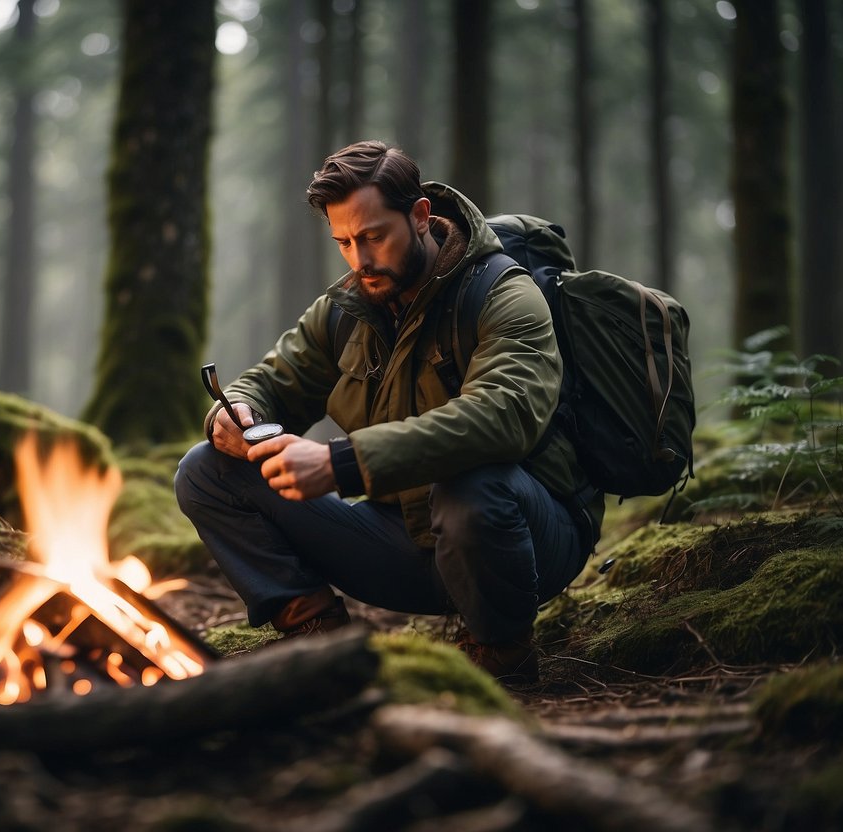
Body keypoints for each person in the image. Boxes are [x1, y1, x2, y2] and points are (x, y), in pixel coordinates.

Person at [175, 140, 602, 685]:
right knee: (205, 471)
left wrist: (341, 463)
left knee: (469, 483)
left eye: (374, 236)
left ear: (420, 215)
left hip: (528, 542)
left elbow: (502, 417)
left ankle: (501, 657)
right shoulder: (348, 307)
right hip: (400, 544)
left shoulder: (504, 294)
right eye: (345, 242)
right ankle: (323, 648)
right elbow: (275, 380)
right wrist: (238, 409)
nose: (361, 259)